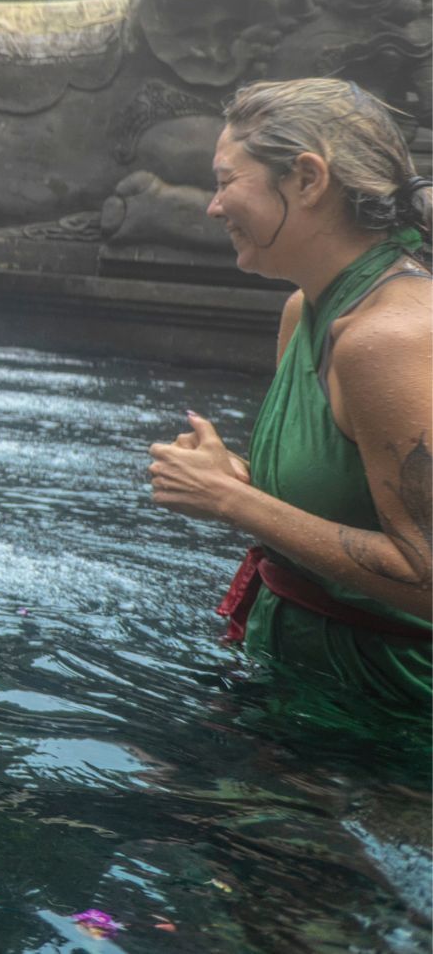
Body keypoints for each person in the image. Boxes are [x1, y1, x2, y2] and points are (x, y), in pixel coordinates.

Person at [148, 78, 432, 725]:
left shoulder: (386, 339)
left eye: (227, 181)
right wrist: (235, 480)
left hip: (392, 719)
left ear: (307, 180)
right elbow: (339, 503)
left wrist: (232, 500)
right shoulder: (305, 310)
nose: (214, 208)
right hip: (300, 687)